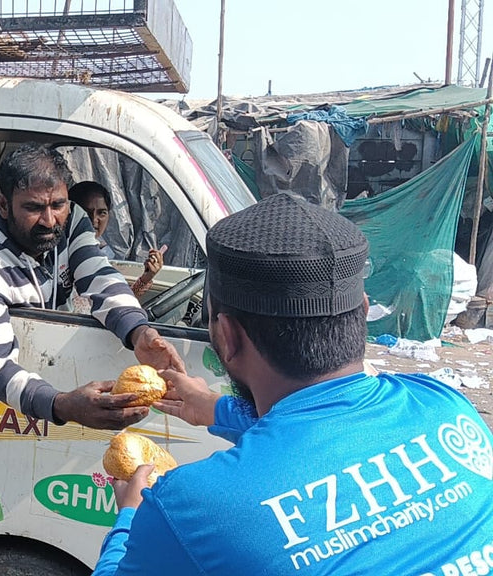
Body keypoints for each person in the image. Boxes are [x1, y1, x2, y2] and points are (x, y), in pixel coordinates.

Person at [93, 192, 493, 575]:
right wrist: (216, 409)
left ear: (227, 337)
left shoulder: (189, 507)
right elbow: (325, 435)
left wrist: (130, 517)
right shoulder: (445, 406)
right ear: (363, 311)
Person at [0, 143, 183, 430]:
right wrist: (63, 406)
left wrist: (140, 332)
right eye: (33, 208)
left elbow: (99, 276)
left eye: (58, 205)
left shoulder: (72, 223)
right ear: (4, 206)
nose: (49, 221)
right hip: (12, 412)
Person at [68, 180, 167, 300]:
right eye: (85, 213)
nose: (94, 220)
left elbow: (116, 301)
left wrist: (146, 277)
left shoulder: (103, 255)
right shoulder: (58, 254)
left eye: (101, 213)